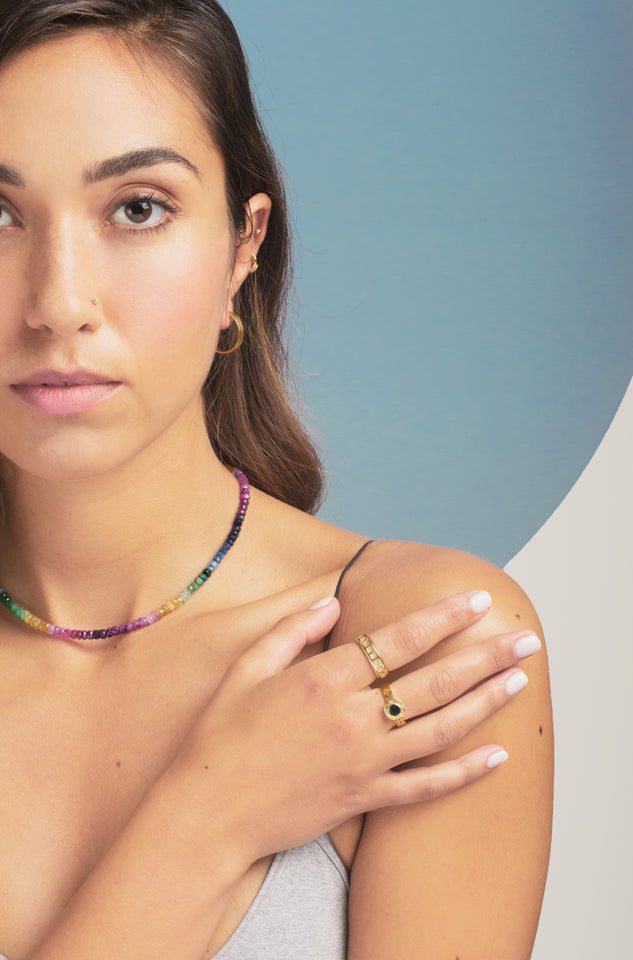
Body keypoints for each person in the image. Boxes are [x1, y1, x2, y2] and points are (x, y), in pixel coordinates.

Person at [0, 1, 553, 957]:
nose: (58, 302)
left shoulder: (417, 652)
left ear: (242, 248)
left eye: (138, 208)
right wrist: (208, 822)